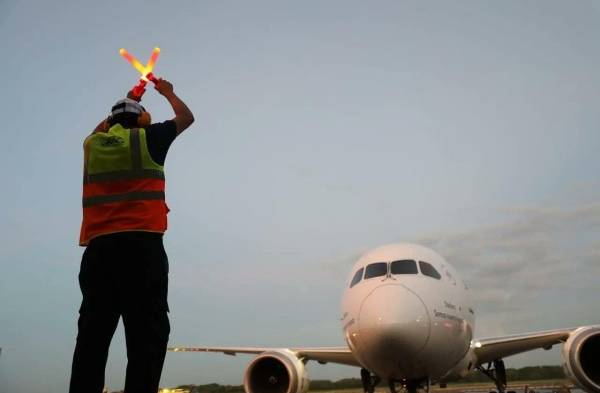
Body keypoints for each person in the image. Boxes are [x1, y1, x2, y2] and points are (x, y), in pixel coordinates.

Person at [69, 78, 194, 393]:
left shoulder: (92, 145)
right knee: (146, 339)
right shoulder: (148, 138)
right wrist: (167, 92)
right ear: (140, 119)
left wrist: (128, 100)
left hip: (99, 253)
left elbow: (102, 128)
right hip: (142, 250)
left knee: (92, 339)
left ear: (111, 121)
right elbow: (186, 118)